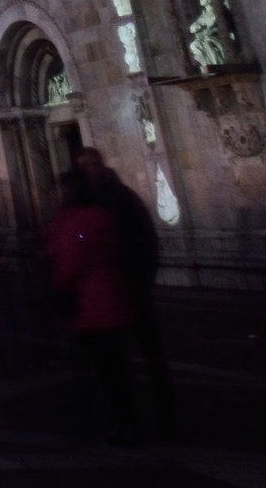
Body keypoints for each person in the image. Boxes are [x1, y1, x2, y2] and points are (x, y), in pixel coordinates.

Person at [74, 145, 173, 438]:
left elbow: (146, 238)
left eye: (89, 165)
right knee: (114, 358)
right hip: (106, 291)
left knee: (147, 351)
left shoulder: (121, 197)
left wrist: (143, 279)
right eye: (81, 167)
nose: (86, 172)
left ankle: (164, 412)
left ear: (100, 165)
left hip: (130, 285)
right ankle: (124, 415)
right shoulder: (86, 201)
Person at [47, 169, 138, 445]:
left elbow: (68, 261)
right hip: (113, 299)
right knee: (116, 369)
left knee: (95, 369)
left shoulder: (72, 220)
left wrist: (57, 286)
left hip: (88, 305)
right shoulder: (103, 215)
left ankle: (106, 422)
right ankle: (125, 421)